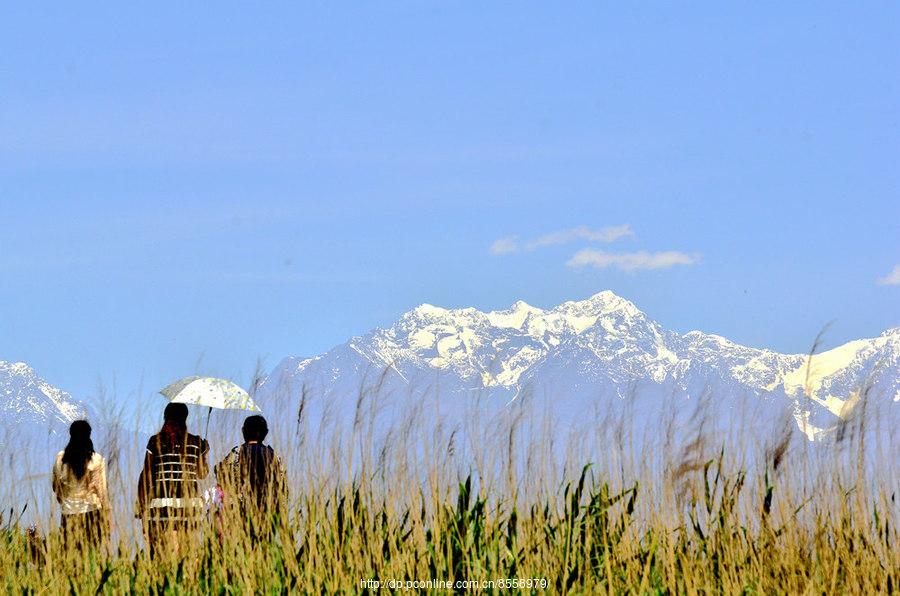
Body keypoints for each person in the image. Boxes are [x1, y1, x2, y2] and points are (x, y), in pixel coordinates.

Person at [136, 402, 209, 558]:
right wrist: (204, 453)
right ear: (185, 418)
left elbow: (147, 474)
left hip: (161, 507)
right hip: (189, 506)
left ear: (165, 417)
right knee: (188, 555)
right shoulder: (196, 442)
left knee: (165, 556)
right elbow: (202, 474)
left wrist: (142, 507)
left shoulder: (155, 441)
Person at [215, 415, 287, 538]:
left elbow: (220, 473)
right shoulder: (274, 456)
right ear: (266, 433)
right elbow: (283, 488)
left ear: (243, 431)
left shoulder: (236, 453)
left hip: (240, 512)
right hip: (267, 512)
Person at [51, 420, 110, 550]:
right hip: (92, 513)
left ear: (70, 435)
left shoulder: (60, 459)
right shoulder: (96, 460)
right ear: (89, 435)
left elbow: (56, 486)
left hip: (68, 514)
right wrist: (106, 513)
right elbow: (102, 490)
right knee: (92, 555)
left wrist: (64, 501)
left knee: (71, 557)